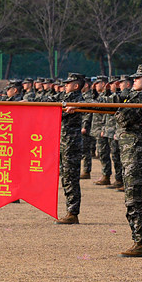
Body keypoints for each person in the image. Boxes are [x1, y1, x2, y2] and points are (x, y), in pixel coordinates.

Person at [114, 65, 142, 257]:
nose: (134, 81)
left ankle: (141, 242)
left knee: (136, 199)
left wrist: (119, 108)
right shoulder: (135, 97)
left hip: (139, 155)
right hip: (132, 154)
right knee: (132, 199)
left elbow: (124, 118)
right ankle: (138, 239)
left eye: (138, 79)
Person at [57, 73, 86, 224]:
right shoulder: (65, 97)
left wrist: (78, 106)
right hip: (63, 142)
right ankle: (70, 210)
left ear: (76, 85)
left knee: (71, 178)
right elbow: (49, 100)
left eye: (68, 83)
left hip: (71, 144)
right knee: (65, 177)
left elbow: (88, 102)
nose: (65, 85)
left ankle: (73, 212)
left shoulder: (78, 99)